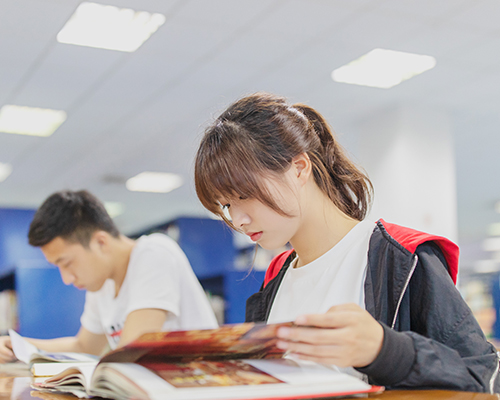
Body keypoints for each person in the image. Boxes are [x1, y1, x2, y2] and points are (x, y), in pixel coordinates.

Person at [193, 92, 500, 393]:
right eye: (226, 205)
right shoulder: (275, 277)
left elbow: (484, 376)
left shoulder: (401, 256)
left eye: (244, 195)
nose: (238, 220)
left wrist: (385, 350)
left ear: (299, 168)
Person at [0, 190, 218, 362]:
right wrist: (18, 346)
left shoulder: (154, 253)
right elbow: (83, 346)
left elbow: (129, 353)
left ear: (100, 242)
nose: (66, 279)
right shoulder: (102, 283)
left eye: (67, 263)